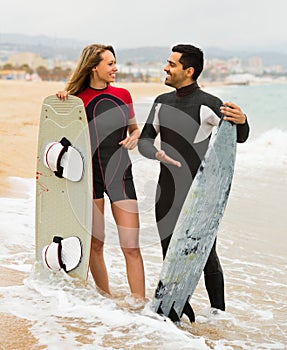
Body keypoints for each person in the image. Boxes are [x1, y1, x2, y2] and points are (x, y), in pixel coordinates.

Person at [138, 44, 250, 321]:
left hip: (198, 195)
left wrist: (244, 120)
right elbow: (143, 142)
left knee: (205, 254)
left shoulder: (209, 103)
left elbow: (238, 136)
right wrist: (157, 153)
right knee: (169, 253)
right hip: (167, 191)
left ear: (189, 70)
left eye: (172, 64)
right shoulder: (162, 102)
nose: (166, 68)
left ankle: (218, 316)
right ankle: (172, 312)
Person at [56, 44, 145, 302]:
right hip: (87, 179)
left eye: (115, 63)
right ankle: (105, 300)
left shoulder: (123, 94)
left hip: (120, 173)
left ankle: (139, 305)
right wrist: (63, 102)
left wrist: (135, 138)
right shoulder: (75, 100)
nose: (115, 68)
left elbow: (134, 130)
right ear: (94, 66)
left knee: (131, 246)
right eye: (110, 63)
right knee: (96, 245)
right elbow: (61, 137)